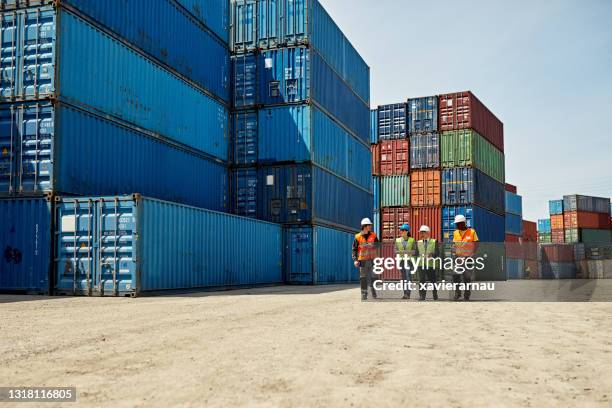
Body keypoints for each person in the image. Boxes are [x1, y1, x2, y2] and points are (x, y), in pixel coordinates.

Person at [452, 214, 479, 301]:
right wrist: (453, 252)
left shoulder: (472, 232)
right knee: (455, 275)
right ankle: (457, 293)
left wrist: (473, 253)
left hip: (468, 258)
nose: (457, 225)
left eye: (458, 224)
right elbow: (454, 244)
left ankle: (466, 295)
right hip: (458, 258)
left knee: (466, 277)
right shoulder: (455, 233)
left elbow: (476, 243)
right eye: (456, 224)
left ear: (463, 223)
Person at [353, 218, 380, 301]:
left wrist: (373, 246)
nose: (371, 226)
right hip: (362, 260)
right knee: (363, 277)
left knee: (374, 276)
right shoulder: (357, 237)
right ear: (365, 226)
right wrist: (355, 259)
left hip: (372, 260)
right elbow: (354, 249)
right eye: (369, 225)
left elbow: (378, 245)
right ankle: (364, 294)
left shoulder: (374, 235)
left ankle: (373, 291)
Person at [417, 225, 439, 301]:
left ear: (427, 233)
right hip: (421, 264)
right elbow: (416, 253)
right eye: (421, 233)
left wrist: (432, 255)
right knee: (421, 280)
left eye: (423, 232)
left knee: (433, 281)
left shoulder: (434, 241)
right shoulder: (418, 242)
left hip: (431, 265)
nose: (421, 234)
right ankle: (422, 296)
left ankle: (435, 295)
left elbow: (437, 252)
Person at [395, 223, 416, 299]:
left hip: (409, 261)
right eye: (402, 230)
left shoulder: (412, 240)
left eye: (405, 230)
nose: (403, 231)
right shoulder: (397, 240)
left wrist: (408, 252)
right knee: (403, 277)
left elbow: (415, 251)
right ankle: (405, 293)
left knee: (408, 277)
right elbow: (395, 251)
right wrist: (400, 252)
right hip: (401, 261)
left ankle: (408, 293)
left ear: (407, 231)